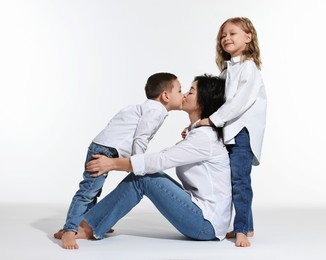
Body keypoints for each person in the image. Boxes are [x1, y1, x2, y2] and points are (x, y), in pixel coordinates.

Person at [64, 74, 232, 250]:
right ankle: (92, 222)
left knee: (143, 178)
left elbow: (160, 160)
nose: (184, 95)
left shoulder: (204, 137)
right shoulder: (198, 133)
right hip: (203, 216)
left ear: (203, 101)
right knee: (145, 174)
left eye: (190, 91)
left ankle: (87, 227)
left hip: (205, 225)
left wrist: (113, 163)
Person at [54, 72, 184, 249]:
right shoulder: (156, 110)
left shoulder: (145, 107)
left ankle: (85, 224)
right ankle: (69, 230)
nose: (182, 94)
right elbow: (141, 137)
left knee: (93, 190)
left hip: (103, 146)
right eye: (179, 90)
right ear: (165, 96)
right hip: (105, 149)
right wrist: (138, 163)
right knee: (88, 191)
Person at [196, 17, 267, 247]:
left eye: (232, 33)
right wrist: (198, 123)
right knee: (232, 180)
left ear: (248, 38)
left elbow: (239, 103)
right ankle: (249, 226)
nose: (226, 38)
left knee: (240, 181)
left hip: (241, 133)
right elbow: (217, 103)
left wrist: (212, 120)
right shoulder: (227, 71)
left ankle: (242, 229)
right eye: (223, 35)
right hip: (228, 132)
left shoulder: (249, 68)